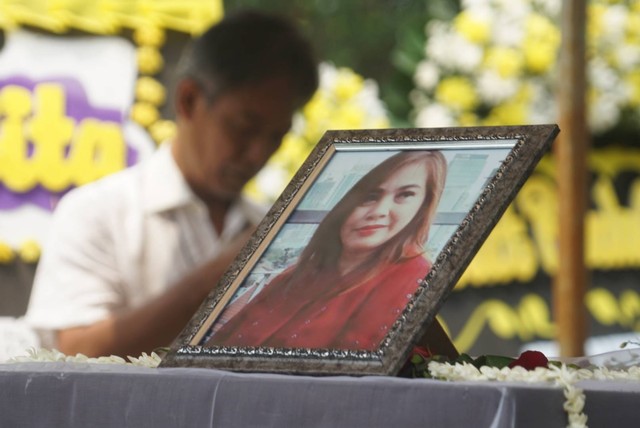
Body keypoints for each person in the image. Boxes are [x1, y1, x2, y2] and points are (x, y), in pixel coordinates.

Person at [24, 10, 319, 358]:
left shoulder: (270, 232)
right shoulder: (96, 213)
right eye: (243, 127)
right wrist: (224, 275)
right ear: (189, 100)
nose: (257, 153)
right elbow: (76, 353)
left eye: (276, 137)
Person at [205, 150, 448, 351]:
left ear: (422, 208)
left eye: (405, 195)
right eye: (371, 196)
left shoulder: (413, 278)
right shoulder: (297, 274)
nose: (379, 211)